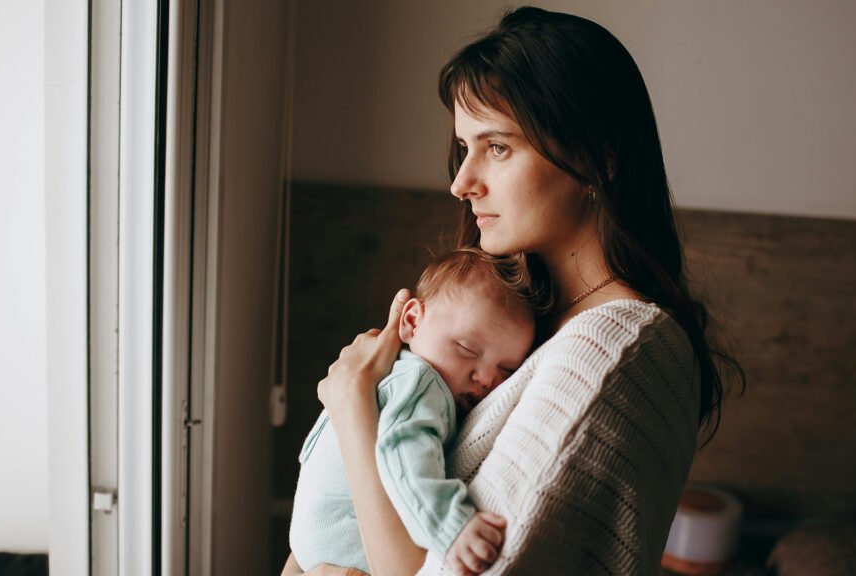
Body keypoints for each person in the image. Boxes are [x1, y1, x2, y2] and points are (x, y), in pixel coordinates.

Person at [317, 6, 744, 576]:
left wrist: (350, 406)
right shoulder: (519, 322)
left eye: (496, 147)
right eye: (464, 147)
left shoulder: (617, 350)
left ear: (599, 157)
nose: (461, 183)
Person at [282, 248, 538, 576]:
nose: (487, 379)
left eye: (507, 368)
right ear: (412, 321)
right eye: (467, 349)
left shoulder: (392, 374)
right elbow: (405, 455)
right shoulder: (421, 380)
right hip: (348, 550)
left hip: (313, 549)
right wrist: (452, 526)